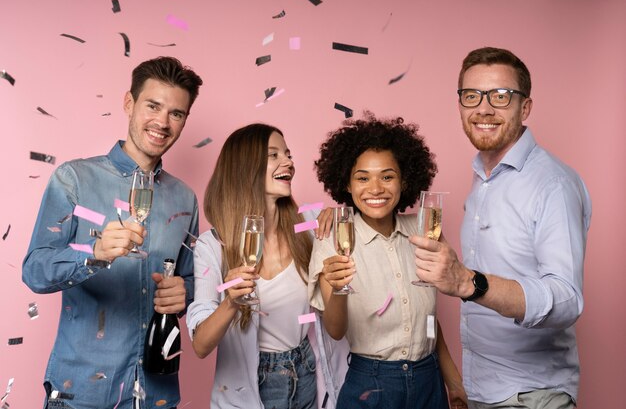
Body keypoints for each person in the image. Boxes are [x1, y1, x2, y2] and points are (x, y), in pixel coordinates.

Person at [411, 47, 592, 409]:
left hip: (532, 395)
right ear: (460, 104)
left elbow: (567, 298)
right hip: (483, 389)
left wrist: (468, 282)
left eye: (501, 96)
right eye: (471, 96)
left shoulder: (552, 184)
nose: (484, 108)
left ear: (524, 108)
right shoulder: (483, 177)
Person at [22, 56, 203, 409]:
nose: (162, 123)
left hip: (156, 395)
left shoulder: (185, 198)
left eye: (176, 114)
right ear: (129, 103)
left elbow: (193, 281)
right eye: (153, 106)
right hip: (82, 395)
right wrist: (94, 253)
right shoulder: (73, 180)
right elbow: (35, 270)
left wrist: (186, 292)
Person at [309, 113, 468, 409]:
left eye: (387, 176)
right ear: (346, 183)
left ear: (404, 179)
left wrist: (453, 381)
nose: (376, 188)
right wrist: (339, 288)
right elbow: (335, 330)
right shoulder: (331, 239)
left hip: (429, 381)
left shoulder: (423, 231)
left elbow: (429, 320)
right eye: (362, 177)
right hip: (371, 384)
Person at [186, 123, 345, 409]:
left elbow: (361, 213)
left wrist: (338, 213)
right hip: (253, 384)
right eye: (274, 155)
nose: (289, 162)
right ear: (245, 167)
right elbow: (200, 345)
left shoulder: (309, 224)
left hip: (306, 371)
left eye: (288, 154)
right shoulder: (213, 246)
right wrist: (231, 303)